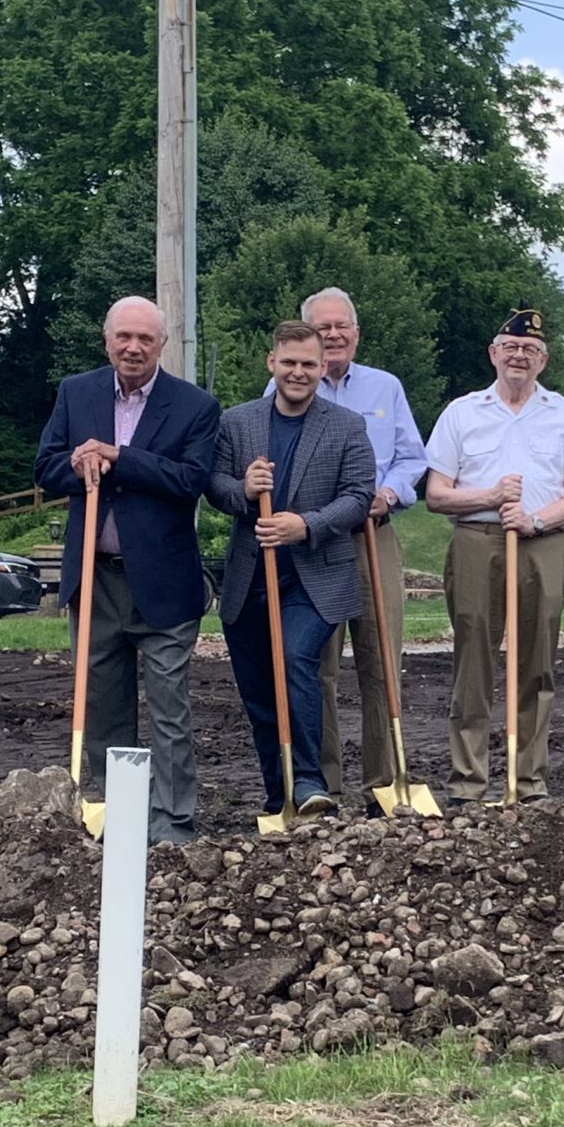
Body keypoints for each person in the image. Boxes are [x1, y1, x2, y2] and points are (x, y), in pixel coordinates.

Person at [35, 296, 220, 846]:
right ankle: (121, 811)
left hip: (164, 583)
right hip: (95, 580)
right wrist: (75, 463)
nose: (133, 347)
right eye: (124, 337)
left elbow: (191, 480)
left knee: (168, 708)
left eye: (145, 338)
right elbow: (45, 468)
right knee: (105, 707)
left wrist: (119, 456)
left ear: (162, 344)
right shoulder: (77, 392)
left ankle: (172, 819)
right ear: (107, 340)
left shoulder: (194, 406)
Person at [422, 307, 564, 803]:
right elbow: (437, 493)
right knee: (473, 660)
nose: (519, 356)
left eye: (530, 350)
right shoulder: (462, 412)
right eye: (511, 347)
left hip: (544, 544)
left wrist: (535, 518)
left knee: (537, 664)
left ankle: (527, 780)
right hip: (476, 543)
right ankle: (469, 781)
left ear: (542, 360)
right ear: (493, 354)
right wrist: (491, 497)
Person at [211, 321, 379, 820]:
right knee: (259, 691)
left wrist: (305, 525)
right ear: (272, 363)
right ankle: (276, 794)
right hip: (249, 579)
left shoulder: (347, 425)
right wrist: (242, 489)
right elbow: (212, 484)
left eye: (309, 364)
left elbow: (358, 496)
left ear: (322, 366)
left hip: (316, 578)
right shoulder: (237, 422)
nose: (299, 372)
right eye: (290, 363)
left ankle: (309, 780)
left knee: (294, 659)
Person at [293, 287, 429, 809]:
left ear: (356, 332)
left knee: (381, 660)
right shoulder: (289, 383)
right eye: (322, 327)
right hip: (316, 542)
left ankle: (385, 785)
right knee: (317, 663)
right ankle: (322, 786)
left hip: (374, 534)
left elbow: (411, 458)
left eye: (341, 326)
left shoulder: (384, 387)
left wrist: (390, 492)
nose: (332, 335)